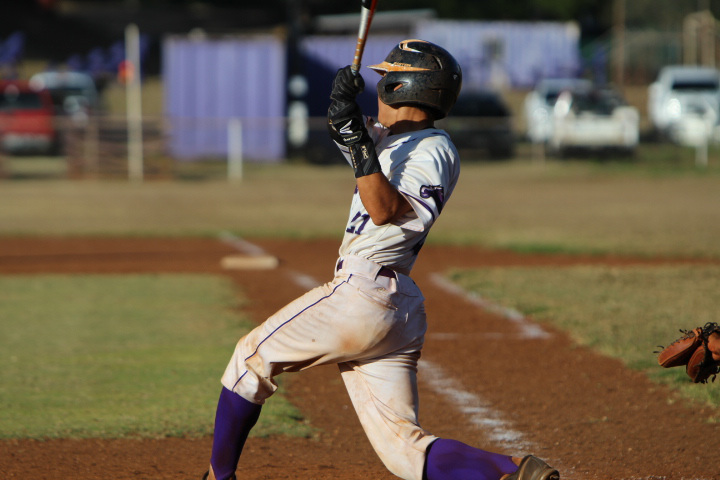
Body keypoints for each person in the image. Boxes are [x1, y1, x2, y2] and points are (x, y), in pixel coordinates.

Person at [202, 39, 560, 480]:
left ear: (401, 86)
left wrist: (357, 140)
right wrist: (340, 107)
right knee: (404, 453)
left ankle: (218, 477)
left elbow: (384, 208)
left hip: (363, 295)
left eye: (385, 78)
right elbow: (349, 135)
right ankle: (516, 472)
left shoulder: (433, 148)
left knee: (248, 361)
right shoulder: (394, 141)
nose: (379, 87)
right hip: (393, 307)